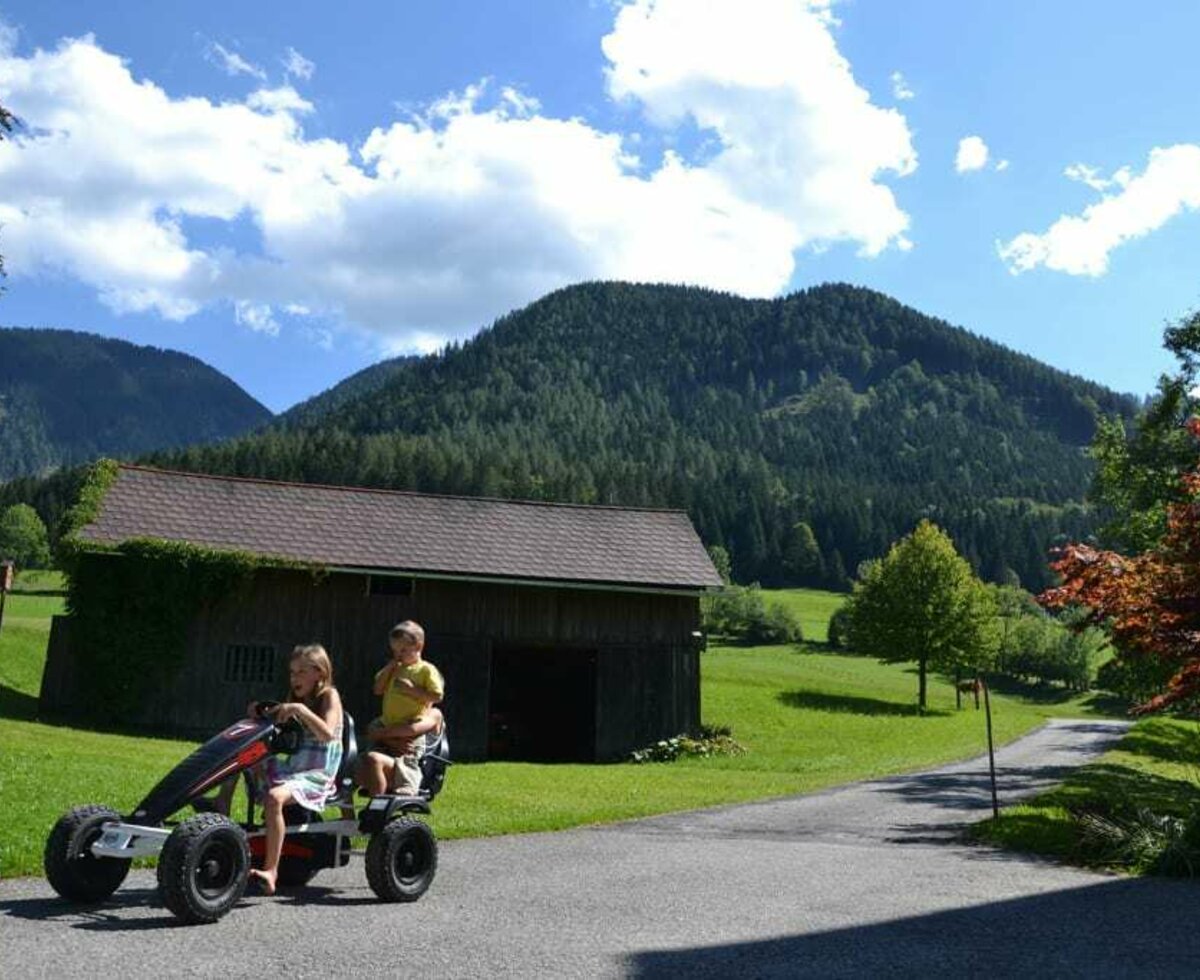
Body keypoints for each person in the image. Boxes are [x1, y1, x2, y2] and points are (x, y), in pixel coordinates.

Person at [201, 643, 344, 896]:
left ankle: (271, 871)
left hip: (316, 774)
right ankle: (222, 801)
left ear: (319, 673)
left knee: (275, 798)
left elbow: (327, 733)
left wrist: (299, 710)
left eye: (301, 672)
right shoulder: (296, 700)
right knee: (240, 754)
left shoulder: (329, 696)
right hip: (290, 768)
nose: (294, 677)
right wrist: (261, 711)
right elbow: (276, 724)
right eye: (292, 672)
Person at [356, 621, 444, 796]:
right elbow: (377, 689)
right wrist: (389, 667)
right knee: (370, 754)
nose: (398, 655)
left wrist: (412, 690)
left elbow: (436, 696)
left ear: (419, 646)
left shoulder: (426, 670)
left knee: (408, 757)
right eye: (394, 651)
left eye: (403, 650)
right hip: (388, 723)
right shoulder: (394, 669)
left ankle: (407, 785)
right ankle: (371, 782)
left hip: (412, 723)